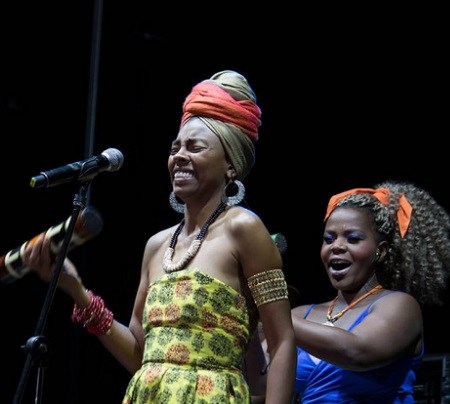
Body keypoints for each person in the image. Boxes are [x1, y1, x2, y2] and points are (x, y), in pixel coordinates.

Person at [23, 70, 297, 403]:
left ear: (231, 165)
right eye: (175, 147)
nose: (179, 156)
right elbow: (140, 357)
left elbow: (282, 342)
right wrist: (77, 291)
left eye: (195, 147)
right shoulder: (157, 246)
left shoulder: (244, 228)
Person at [290, 181, 450, 403]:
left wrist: (272, 312)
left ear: (380, 251)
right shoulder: (300, 315)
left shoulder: (399, 306)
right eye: (329, 239)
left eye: (353, 238)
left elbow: (356, 352)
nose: (336, 246)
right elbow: (261, 388)